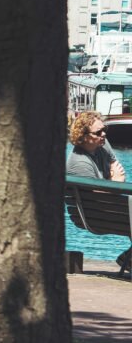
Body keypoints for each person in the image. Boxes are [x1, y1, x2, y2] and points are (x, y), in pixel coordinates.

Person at [67, 111, 130, 272]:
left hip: (110, 210)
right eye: (98, 132)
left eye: (104, 130)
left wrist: (112, 183)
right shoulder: (79, 163)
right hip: (94, 216)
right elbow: (99, 200)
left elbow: (116, 166)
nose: (103, 135)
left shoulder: (102, 144)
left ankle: (128, 259)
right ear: (83, 136)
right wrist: (115, 182)